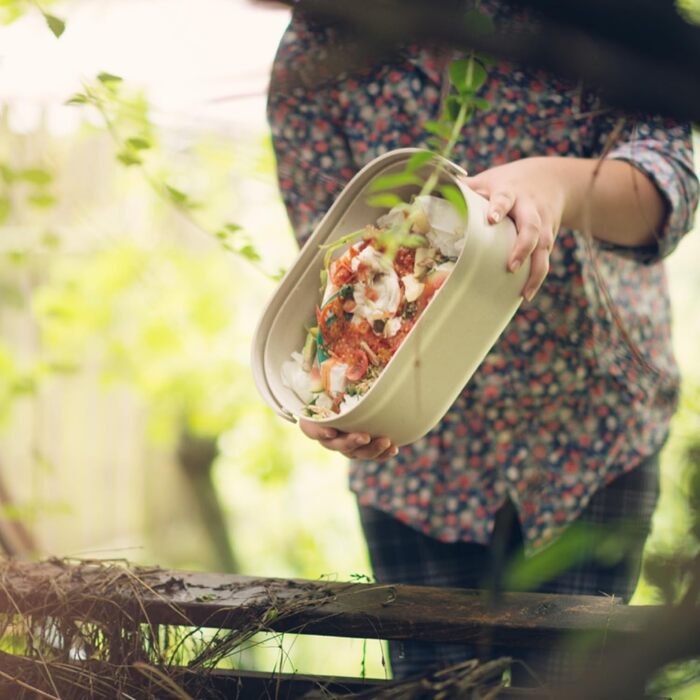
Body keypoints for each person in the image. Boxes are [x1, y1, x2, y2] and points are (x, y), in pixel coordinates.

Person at [266, 0, 699, 682]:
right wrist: (345, 403)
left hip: (590, 435)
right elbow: (334, 274)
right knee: (436, 692)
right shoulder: (318, 51)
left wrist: (555, 184)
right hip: (419, 474)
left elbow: (669, 186)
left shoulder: (607, 16)